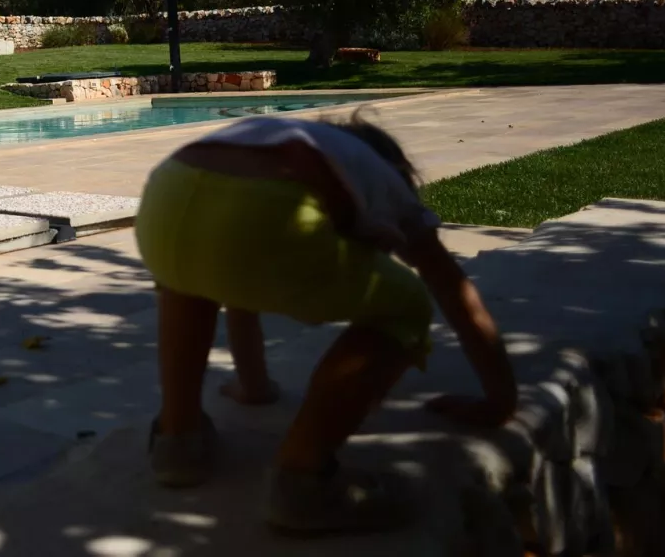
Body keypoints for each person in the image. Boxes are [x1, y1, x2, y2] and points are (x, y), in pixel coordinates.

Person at [134, 114, 516, 535]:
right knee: (405, 305)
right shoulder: (378, 177)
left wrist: (254, 388)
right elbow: (454, 291)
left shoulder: (289, 142)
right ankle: (304, 480)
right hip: (259, 206)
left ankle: (177, 442)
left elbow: (238, 287)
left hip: (167, 192)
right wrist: (500, 399)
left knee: (190, 279)